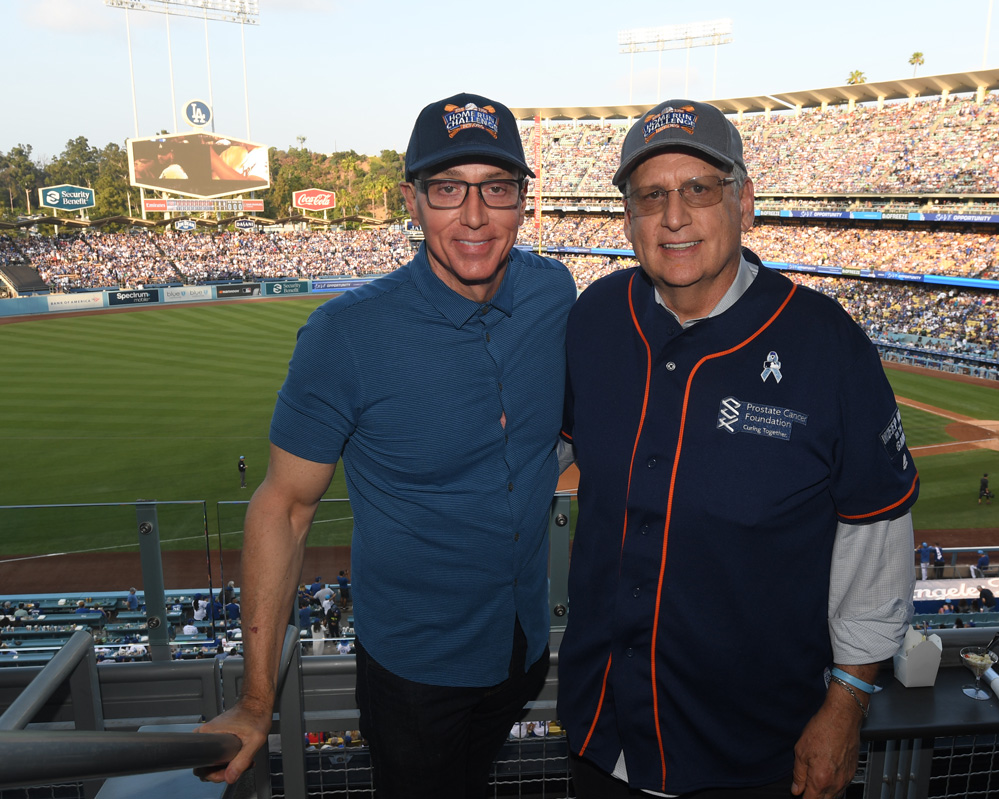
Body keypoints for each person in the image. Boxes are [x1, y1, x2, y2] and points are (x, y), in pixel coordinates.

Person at [198, 92, 576, 798]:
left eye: (496, 188)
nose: (473, 215)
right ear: (411, 200)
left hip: (523, 648)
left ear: (523, 199)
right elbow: (282, 509)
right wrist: (254, 704)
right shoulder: (344, 335)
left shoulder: (556, 290)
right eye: (446, 189)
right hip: (414, 673)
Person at [557, 99, 919, 798]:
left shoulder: (828, 345)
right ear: (627, 218)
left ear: (745, 201)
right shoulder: (595, 318)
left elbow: (876, 540)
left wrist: (847, 701)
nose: (674, 216)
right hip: (602, 735)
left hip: (754, 756)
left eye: (699, 189)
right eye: (651, 196)